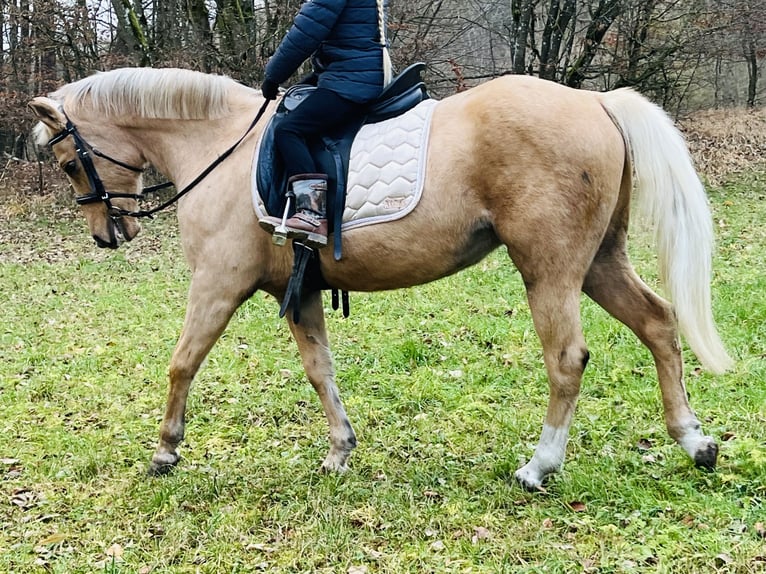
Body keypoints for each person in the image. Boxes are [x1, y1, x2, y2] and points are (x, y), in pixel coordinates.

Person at [258, 0, 389, 248]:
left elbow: (306, 32)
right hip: (362, 73)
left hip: (350, 80)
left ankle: (312, 214)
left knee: (288, 130)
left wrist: (273, 76)